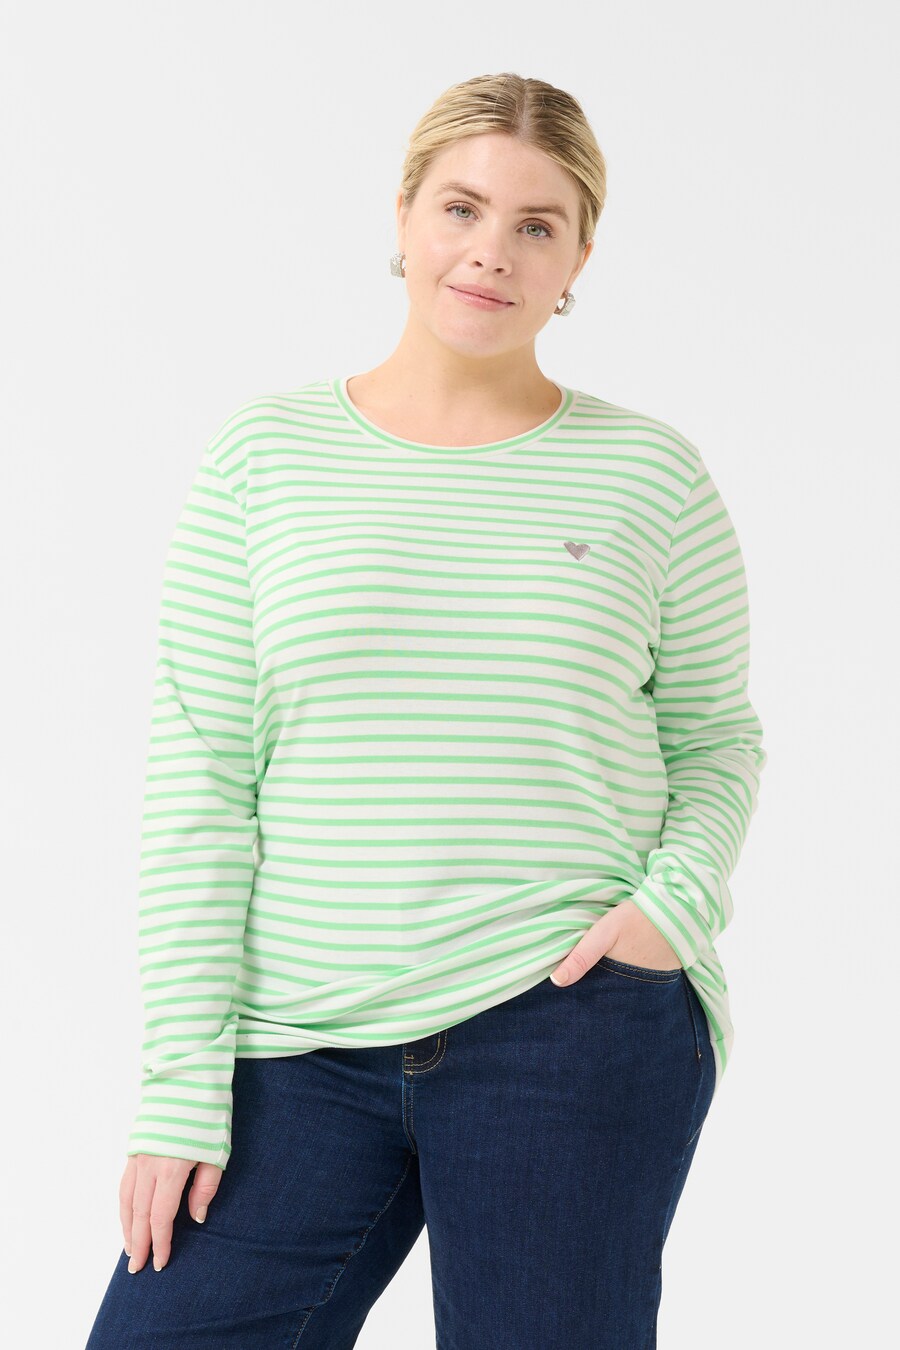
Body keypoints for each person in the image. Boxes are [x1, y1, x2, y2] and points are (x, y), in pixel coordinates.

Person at [86, 71, 767, 1349]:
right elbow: (204, 782)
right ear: (402, 217)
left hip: (567, 1019)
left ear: (577, 261)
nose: (491, 251)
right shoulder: (262, 457)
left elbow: (715, 738)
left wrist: (670, 912)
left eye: (536, 224)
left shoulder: (650, 476)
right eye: (461, 207)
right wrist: (179, 1084)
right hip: (296, 1040)